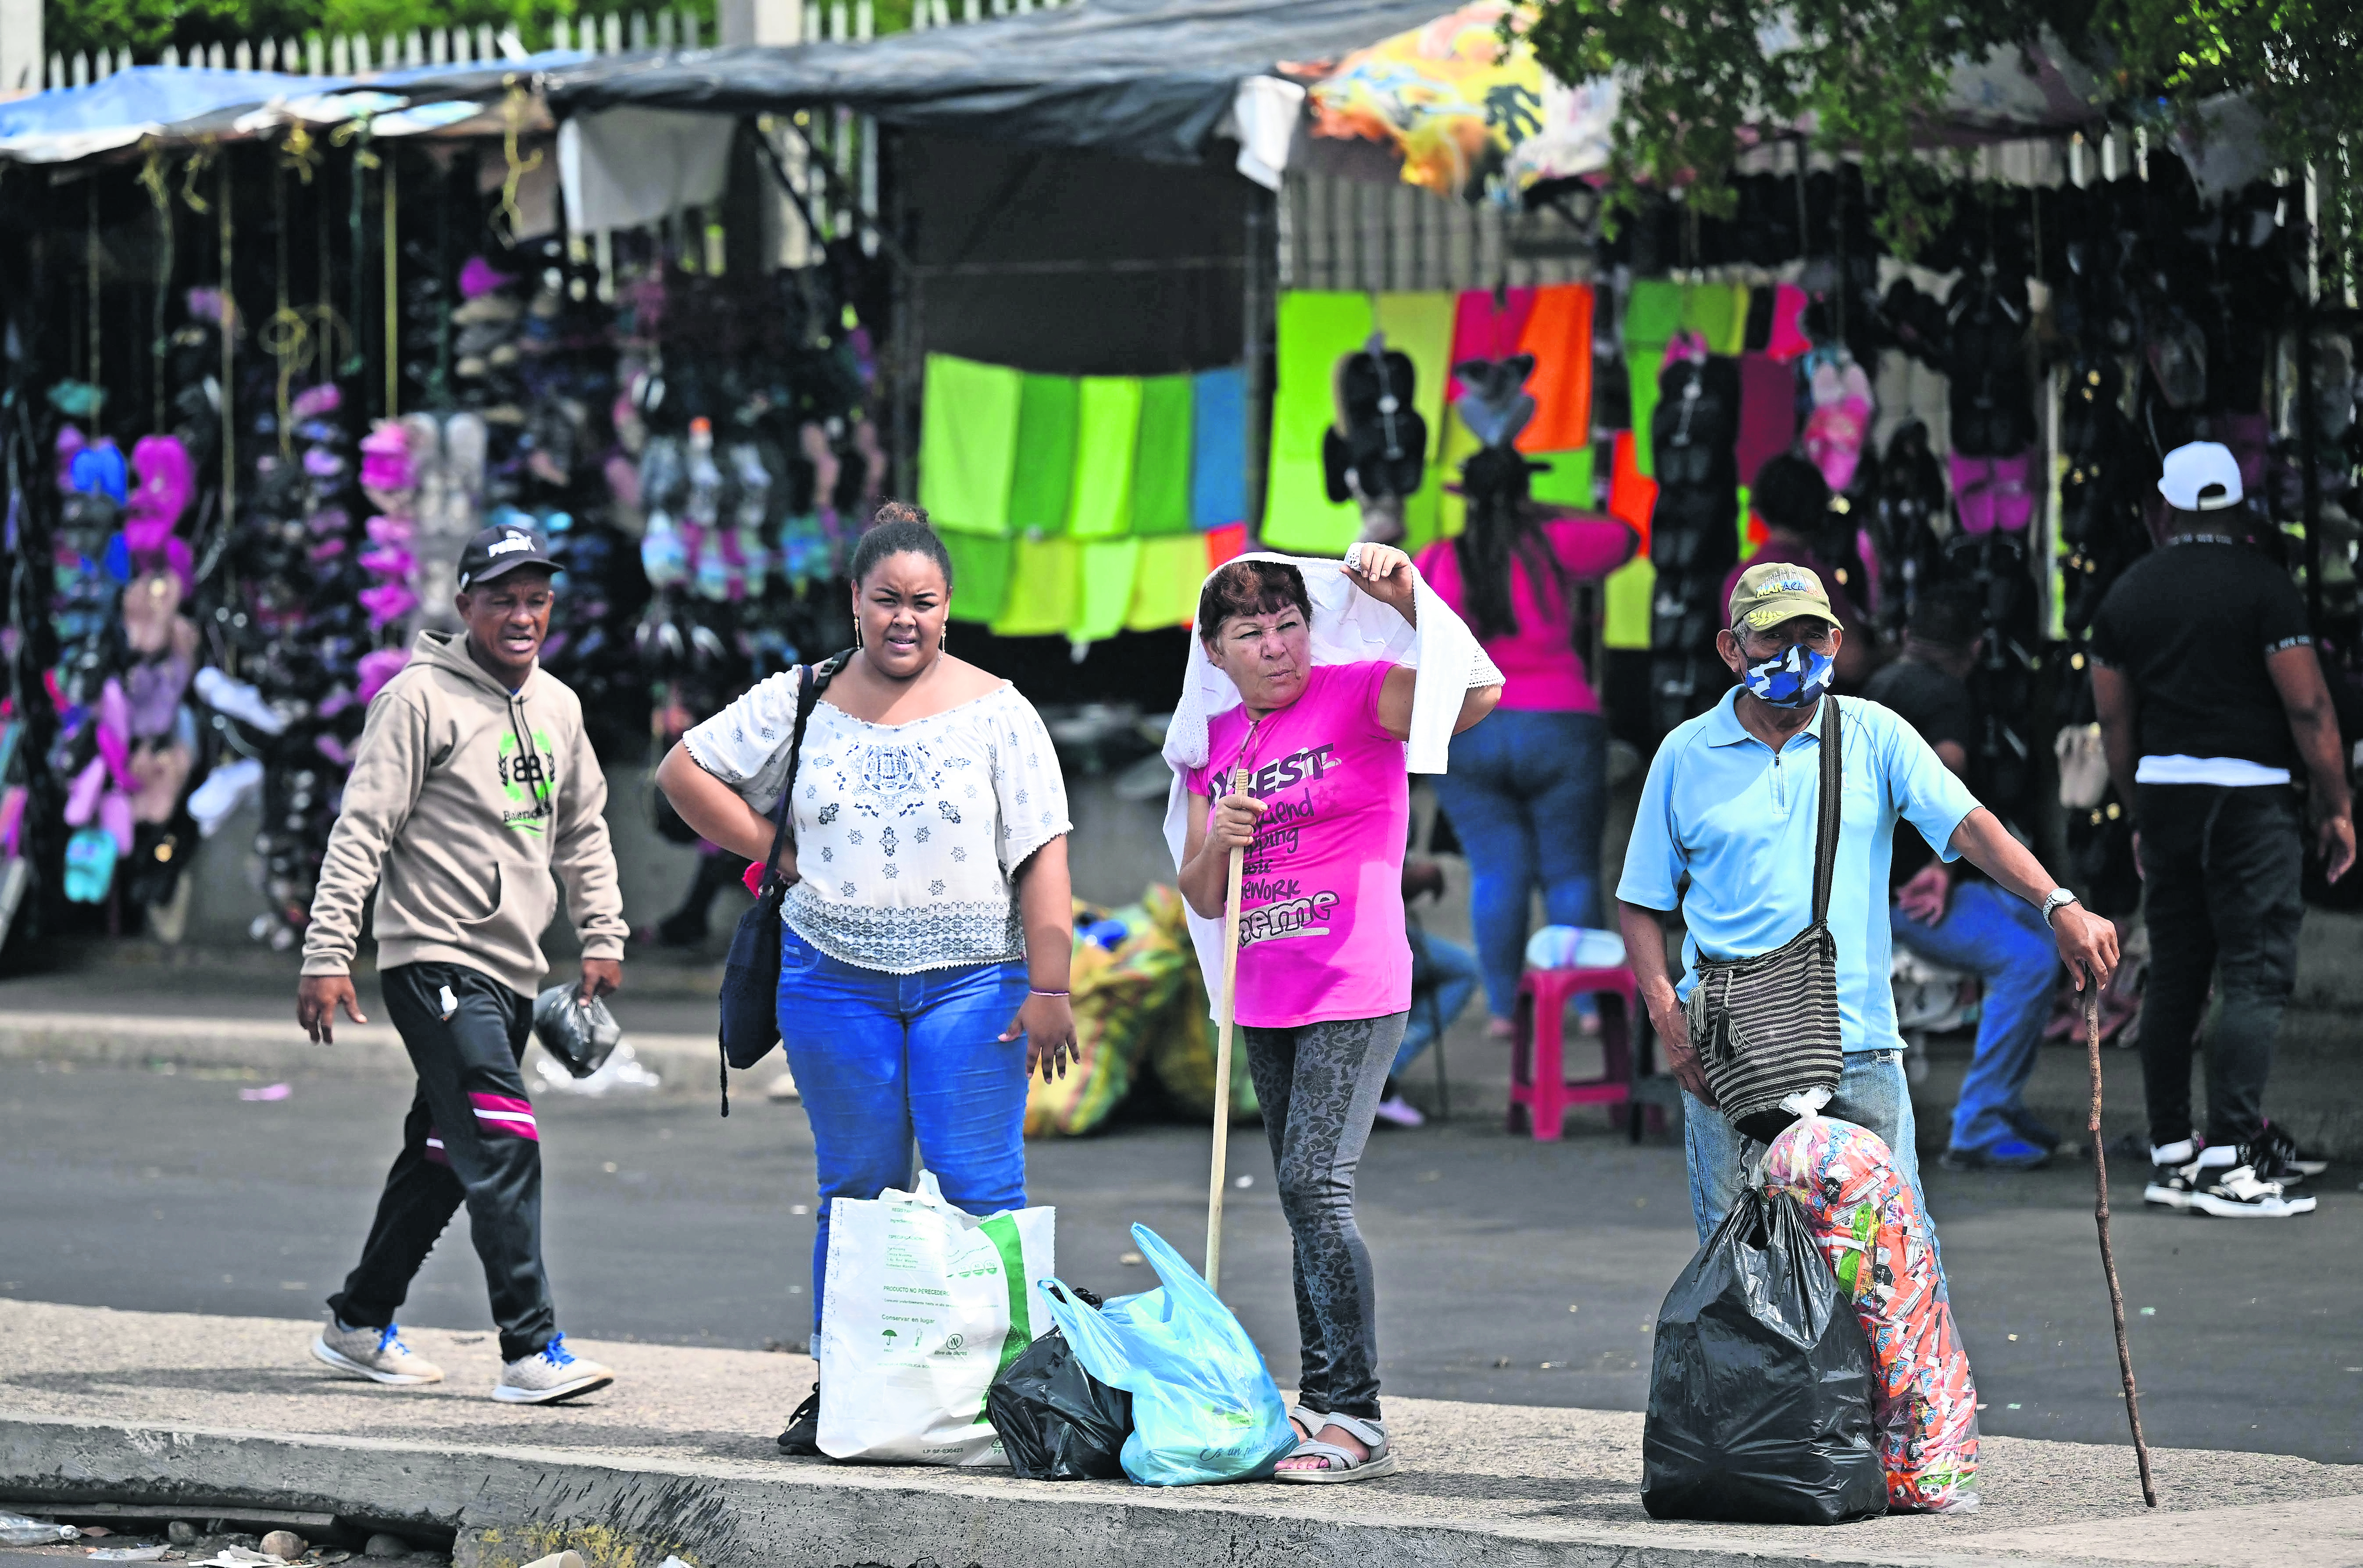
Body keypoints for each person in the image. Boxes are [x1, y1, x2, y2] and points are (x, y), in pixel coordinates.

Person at [654, 502, 1079, 1453]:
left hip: (977, 984)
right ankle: (844, 1386)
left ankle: (1014, 1395)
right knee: (858, 1188)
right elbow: (683, 772)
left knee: (982, 1187)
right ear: (854, 601)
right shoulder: (800, 697)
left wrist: (1050, 986)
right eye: (886, 599)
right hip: (829, 982)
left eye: (924, 603)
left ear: (948, 607)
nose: (905, 619)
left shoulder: (1000, 711)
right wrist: (771, 850)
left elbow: (1043, 854)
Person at [1618, 562, 2118, 1244]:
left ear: (1837, 641)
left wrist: (2057, 904)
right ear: (1730, 649)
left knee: (1895, 1271)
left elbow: (1969, 824)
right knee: (1744, 1271)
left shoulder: (1873, 733)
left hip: (1860, 1050)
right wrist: (1669, 1019)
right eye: (1773, 639)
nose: (1797, 656)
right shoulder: (1685, 754)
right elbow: (1641, 902)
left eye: (1813, 637)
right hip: (1730, 1056)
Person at [1178, 549, 1501, 1481]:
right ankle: (1319, 1401)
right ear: (1218, 650)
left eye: (1289, 625)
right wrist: (1224, 839)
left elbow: (1476, 694)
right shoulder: (1221, 743)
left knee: (1317, 1184)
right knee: (1295, 1192)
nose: (1277, 648)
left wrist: (1409, 598)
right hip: (1264, 993)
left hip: (1354, 983)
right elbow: (1202, 894)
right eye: (1252, 634)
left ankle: (1354, 1413)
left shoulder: (1360, 693)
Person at [298, 523, 628, 1404]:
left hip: (510, 970)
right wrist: (329, 950)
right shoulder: (417, 700)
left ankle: (358, 1325)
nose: (522, 617)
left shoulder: (558, 706)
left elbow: (584, 828)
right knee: (505, 1138)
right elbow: (362, 829)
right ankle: (531, 1349)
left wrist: (603, 934)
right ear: (464, 607)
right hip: (434, 958)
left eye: (536, 600)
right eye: (502, 600)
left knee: (445, 1154)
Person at [2090, 440, 2354, 1218]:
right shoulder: (2265, 588)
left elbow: (2113, 720)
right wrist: (2336, 804)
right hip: (2250, 801)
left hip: (2166, 795)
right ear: (2237, 506)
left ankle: (2173, 1154)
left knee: (2175, 972)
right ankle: (2233, 1160)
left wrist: (2140, 814)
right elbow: (2307, 706)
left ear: (2163, 508)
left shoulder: (2127, 594)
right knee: (2252, 972)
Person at [1414, 445, 1637, 1036]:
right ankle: (1587, 1007)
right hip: (1560, 723)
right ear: (1523, 496)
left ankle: (1503, 1012)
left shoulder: (1436, 560)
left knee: (1496, 872)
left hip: (1469, 729)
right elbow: (1623, 536)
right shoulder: (1550, 543)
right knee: (1571, 874)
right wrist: (1541, 512)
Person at [1870, 588, 2063, 1171]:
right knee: (2029, 963)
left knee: (2049, 927)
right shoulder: (1948, 694)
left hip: (1896, 884)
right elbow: (1945, 781)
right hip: (1909, 896)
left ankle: (2002, 1103)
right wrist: (1936, 869)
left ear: (1907, 639)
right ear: (1975, 649)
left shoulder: (1880, 688)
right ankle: (1979, 1122)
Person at [1721, 453, 1877, 688]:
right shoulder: (1814, 579)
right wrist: (1894, 654)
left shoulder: (1738, 579)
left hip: (1754, 713)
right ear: (1818, 510)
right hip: (1815, 718)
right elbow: (1853, 662)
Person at [1374, 857, 1481, 1129]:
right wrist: (1418, 878)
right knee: (1462, 970)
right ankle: (1380, 1081)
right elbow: (1367, 879)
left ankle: (1374, 1079)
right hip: (1367, 934)